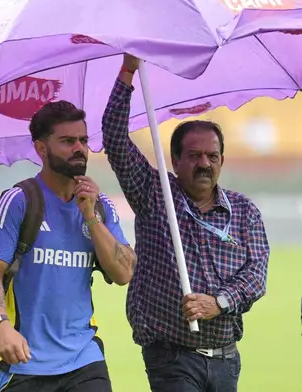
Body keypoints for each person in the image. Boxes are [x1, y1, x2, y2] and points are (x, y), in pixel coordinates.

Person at [101, 54, 270, 392]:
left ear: (222, 160)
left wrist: (218, 302)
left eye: (212, 156)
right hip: (172, 357)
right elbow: (115, 138)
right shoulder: (154, 194)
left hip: (226, 358)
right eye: (194, 156)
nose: (204, 163)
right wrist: (128, 71)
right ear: (175, 160)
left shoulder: (244, 210)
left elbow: (256, 275)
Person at [0, 101, 138, 392]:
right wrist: (1, 327)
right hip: (25, 360)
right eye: (67, 141)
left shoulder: (100, 206)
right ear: (41, 149)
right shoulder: (18, 201)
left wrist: (90, 216)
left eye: (83, 140)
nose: (79, 148)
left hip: (84, 361)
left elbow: (124, 272)